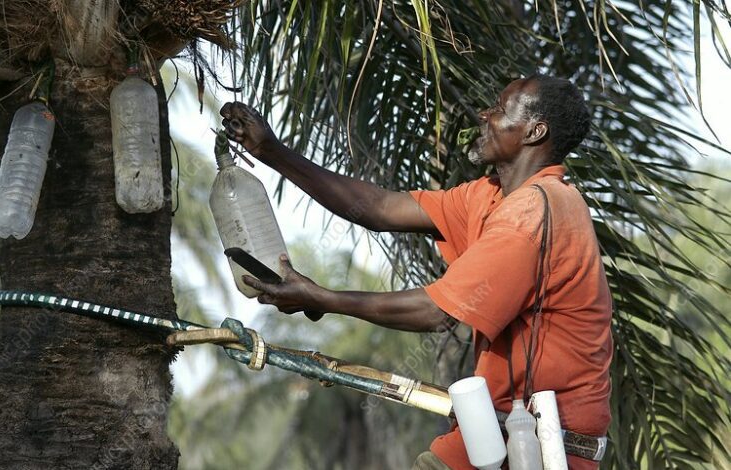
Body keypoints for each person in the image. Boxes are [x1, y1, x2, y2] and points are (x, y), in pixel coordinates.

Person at [220, 74, 613, 470]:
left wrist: (322, 298)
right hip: (497, 436)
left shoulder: (538, 209)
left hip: (550, 450)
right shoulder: (490, 196)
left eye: (499, 108)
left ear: (534, 131)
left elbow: (438, 312)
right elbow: (379, 208)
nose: (485, 115)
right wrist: (270, 150)